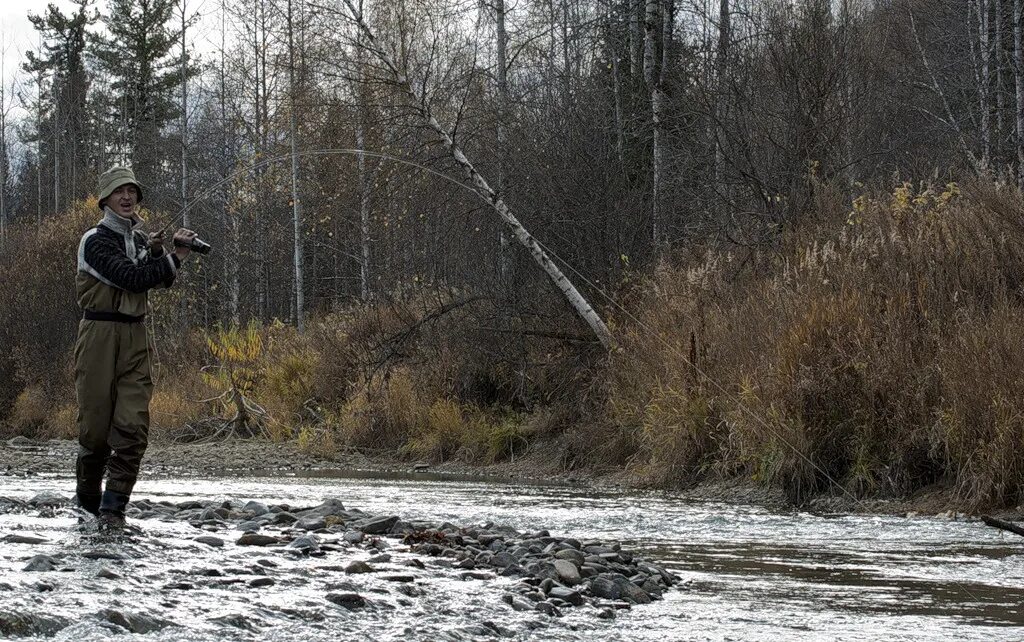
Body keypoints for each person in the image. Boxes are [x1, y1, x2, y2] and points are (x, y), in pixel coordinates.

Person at [74, 165, 197, 529]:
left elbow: (158, 282)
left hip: (135, 338)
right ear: (105, 199)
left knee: (133, 427)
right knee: (95, 432)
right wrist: (173, 259)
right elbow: (130, 277)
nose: (127, 197)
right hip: (98, 336)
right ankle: (86, 506)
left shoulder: (140, 239)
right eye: (118, 191)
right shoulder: (94, 241)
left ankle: (113, 510)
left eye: (132, 191)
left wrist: (162, 253)